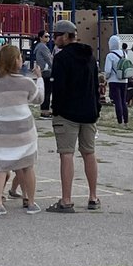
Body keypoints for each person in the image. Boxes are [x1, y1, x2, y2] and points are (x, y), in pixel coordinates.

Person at [46, 19, 100, 213]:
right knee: (89, 153)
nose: (54, 39)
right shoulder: (90, 56)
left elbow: (58, 87)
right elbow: (95, 85)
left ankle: (66, 200)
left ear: (67, 36)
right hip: (89, 111)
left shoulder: (62, 58)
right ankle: (93, 196)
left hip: (67, 112)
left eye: (57, 35)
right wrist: (97, 108)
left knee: (66, 153)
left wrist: (55, 108)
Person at [0, 44, 44, 215]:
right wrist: (39, 79)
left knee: (0, 167)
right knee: (28, 166)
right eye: (20, 57)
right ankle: (31, 202)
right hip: (25, 130)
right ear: (15, 61)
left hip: (4, 130)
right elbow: (39, 99)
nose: (22, 60)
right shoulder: (26, 82)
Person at [103, 36, 131, 126]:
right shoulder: (124, 53)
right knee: (123, 101)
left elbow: (107, 70)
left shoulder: (110, 55)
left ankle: (119, 121)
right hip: (124, 80)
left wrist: (106, 78)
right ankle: (126, 121)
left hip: (114, 80)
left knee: (117, 101)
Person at [32, 30, 54, 118]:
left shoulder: (39, 46)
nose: (48, 38)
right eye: (45, 36)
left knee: (46, 91)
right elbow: (49, 59)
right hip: (46, 72)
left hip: (43, 71)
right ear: (40, 38)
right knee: (47, 92)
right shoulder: (43, 47)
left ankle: (45, 110)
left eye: (48, 36)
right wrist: (55, 68)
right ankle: (45, 111)